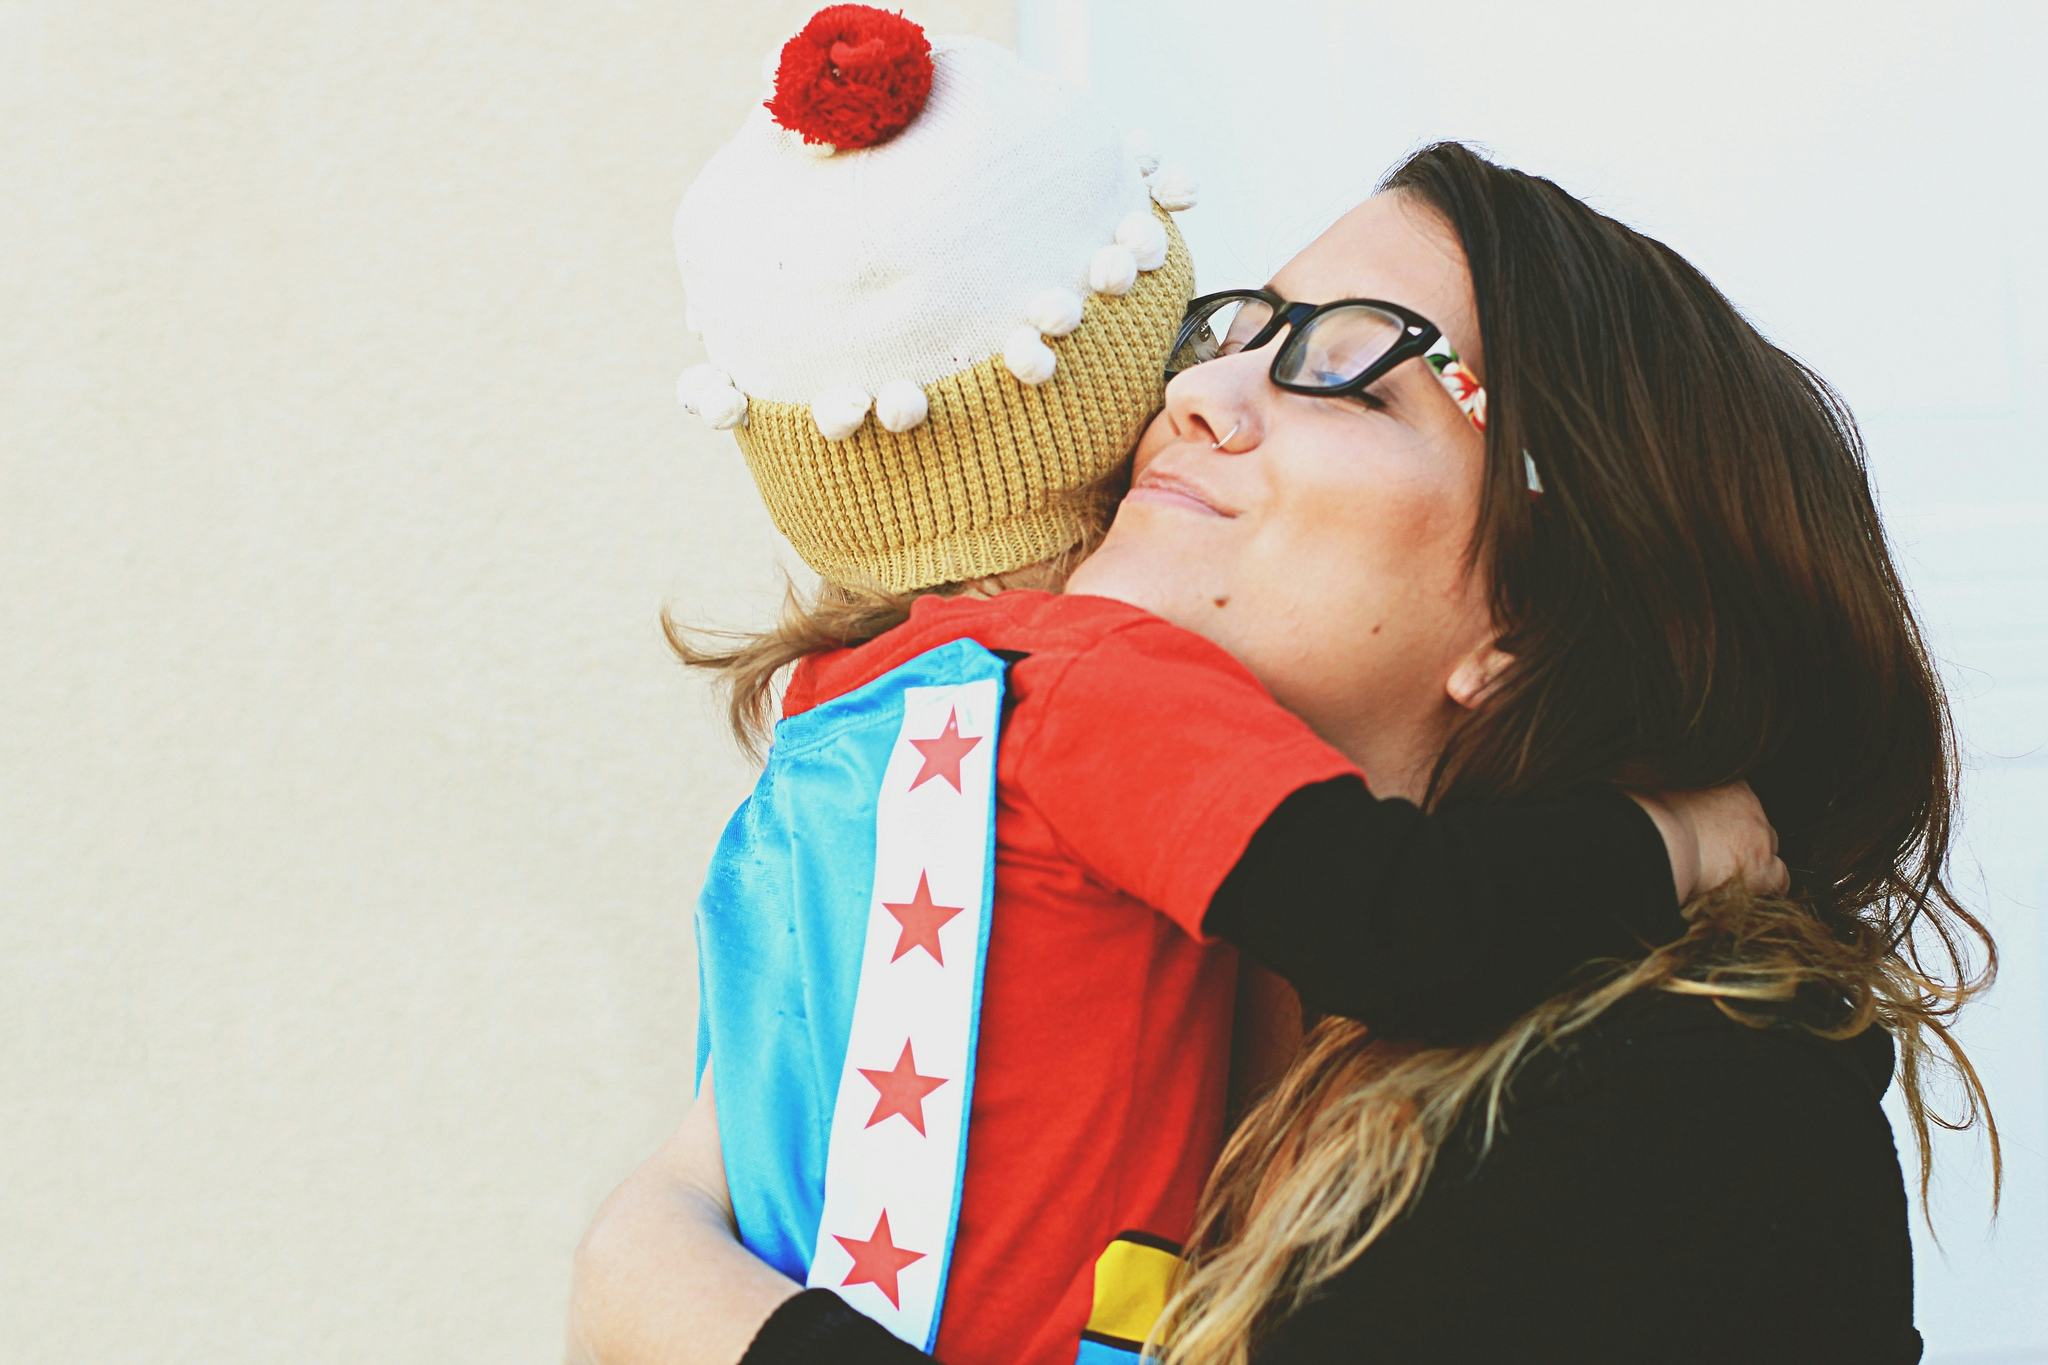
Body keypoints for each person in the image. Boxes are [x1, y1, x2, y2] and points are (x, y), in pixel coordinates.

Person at [600, 140, 2000, 1363]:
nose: (1199, 394)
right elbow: (681, 1218)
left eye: (1351, 368)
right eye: (1234, 330)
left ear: (1535, 609)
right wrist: (651, 1248)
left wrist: (678, 1290)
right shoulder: (1035, 864)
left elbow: (660, 1265)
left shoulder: (1694, 1112)